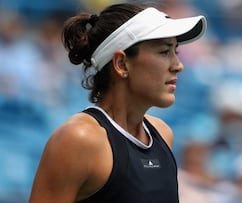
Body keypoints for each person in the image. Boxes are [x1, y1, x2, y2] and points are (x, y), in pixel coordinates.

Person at [29, 2, 206, 203]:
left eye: (176, 52)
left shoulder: (164, 135)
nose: (178, 66)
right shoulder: (79, 139)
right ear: (121, 64)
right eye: (164, 52)